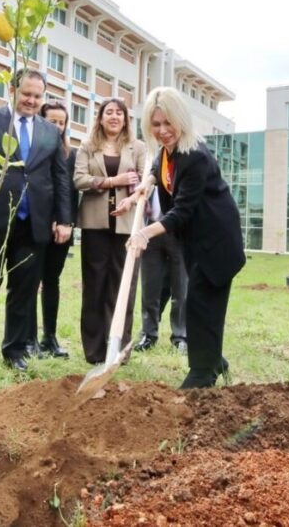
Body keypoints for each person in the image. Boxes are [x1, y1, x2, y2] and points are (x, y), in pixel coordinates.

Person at [117, 86, 244, 388]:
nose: (162, 131)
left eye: (168, 123)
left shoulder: (193, 155)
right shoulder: (167, 151)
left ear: (181, 120)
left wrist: (144, 234)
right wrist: (143, 186)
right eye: (156, 125)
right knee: (198, 304)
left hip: (217, 243)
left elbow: (182, 212)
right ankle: (212, 360)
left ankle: (202, 374)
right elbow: (156, 166)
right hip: (196, 241)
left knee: (202, 305)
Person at [0, 69, 72, 374]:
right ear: (12, 90)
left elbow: (60, 177)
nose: (32, 101)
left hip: (34, 224)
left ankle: (15, 349)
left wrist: (63, 218)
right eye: (27, 94)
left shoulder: (50, 131)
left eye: (37, 96)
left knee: (24, 287)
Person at [73, 98, 147, 365]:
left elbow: (145, 182)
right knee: (94, 288)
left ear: (126, 118)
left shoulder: (137, 147)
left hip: (127, 226)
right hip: (95, 225)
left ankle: (118, 348)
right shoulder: (87, 146)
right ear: (100, 118)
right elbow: (79, 179)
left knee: (123, 287)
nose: (114, 117)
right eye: (109, 113)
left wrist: (134, 194)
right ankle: (94, 351)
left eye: (119, 113)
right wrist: (113, 181)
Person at [34, 101, 78, 359]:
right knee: (30, 282)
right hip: (37, 225)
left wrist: (66, 222)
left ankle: (49, 337)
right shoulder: (34, 151)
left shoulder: (70, 154)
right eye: (53, 121)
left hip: (62, 229)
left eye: (62, 122)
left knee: (52, 281)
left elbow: (70, 193)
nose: (58, 126)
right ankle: (28, 338)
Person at [133, 189, 188, 354]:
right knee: (150, 288)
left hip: (179, 232)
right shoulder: (150, 168)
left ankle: (181, 337)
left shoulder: (181, 167)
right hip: (149, 232)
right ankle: (148, 335)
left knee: (181, 290)